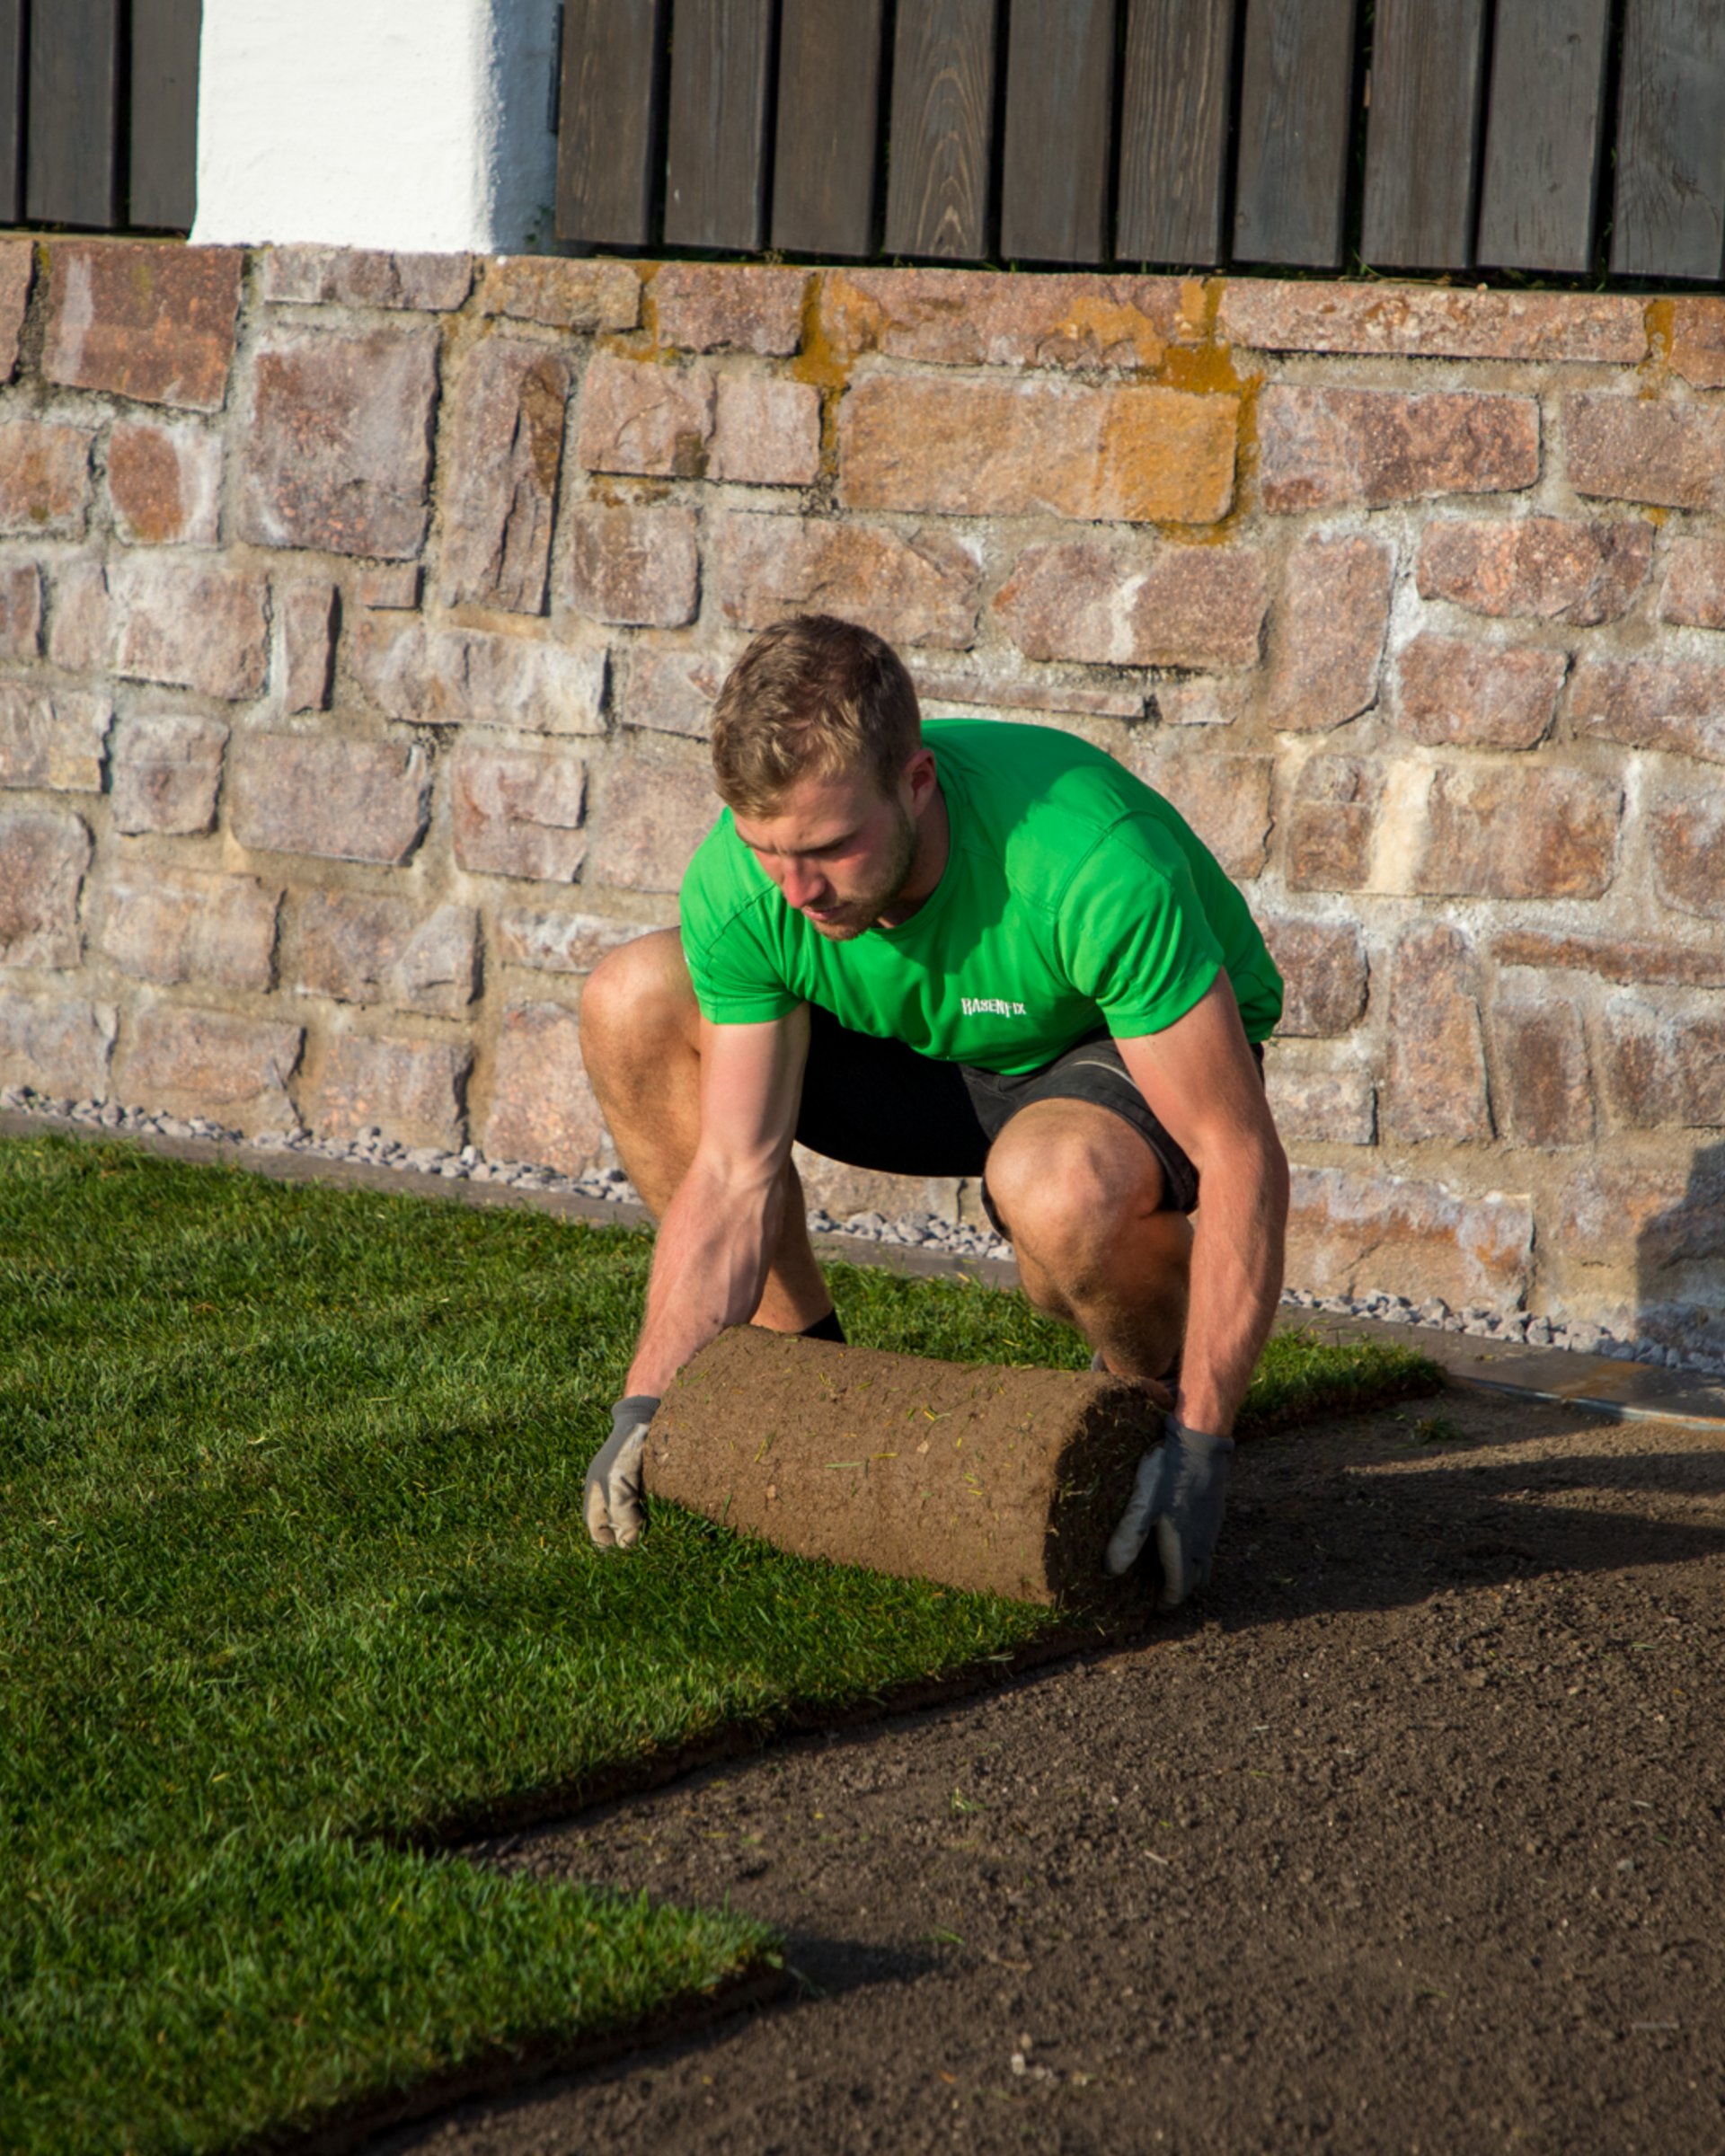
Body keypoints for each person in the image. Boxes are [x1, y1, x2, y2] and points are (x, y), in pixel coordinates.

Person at [579, 614, 1289, 1607]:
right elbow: (734, 1169)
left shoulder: (1086, 862)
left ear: (917, 781)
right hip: (932, 1058)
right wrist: (648, 1396)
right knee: (636, 997)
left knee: (1058, 1195)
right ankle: (796, 1381)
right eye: (767, 850)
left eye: (829, 847)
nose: (797, 889)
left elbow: (1241, 1151)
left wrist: (1206, 1444)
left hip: (1098, 1052)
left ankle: (1146, 1402)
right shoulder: (761, 883)